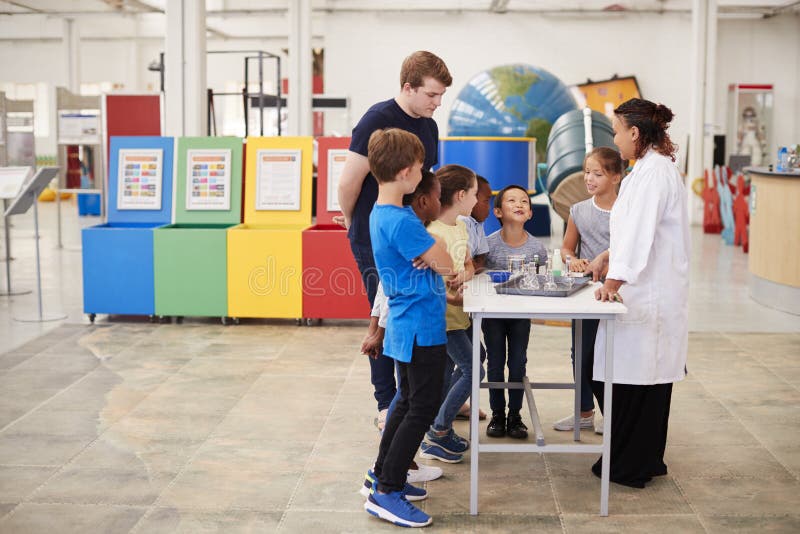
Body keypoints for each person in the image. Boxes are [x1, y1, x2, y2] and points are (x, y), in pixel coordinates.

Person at [336, 51, 452, 430]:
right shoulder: (378, 119)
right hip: (380, 235)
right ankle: (387, 403)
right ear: (408, 87)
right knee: (383, 315)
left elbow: (427, 187)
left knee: (413, 314)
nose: (437, 103)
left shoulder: (429, 126)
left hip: (412, 234)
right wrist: (359, 227)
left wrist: (428, 234)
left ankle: (419, 397)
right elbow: (349, 183)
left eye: (440, 97)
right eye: (432, 95)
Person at [587, 98, 690, 489]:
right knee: (627, 378)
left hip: (650, 294)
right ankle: (636, 456)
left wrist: (614, 280)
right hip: (641, 284)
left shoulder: (655, 174)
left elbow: (642, 232)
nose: (614, 139)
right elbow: (633, 230)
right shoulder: (644, 171)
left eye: (616, 131)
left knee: (639, 380)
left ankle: (635, 463)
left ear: (634, 132)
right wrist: (607, 256)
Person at [361, 128, 454, 528]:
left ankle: (381, 474)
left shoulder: (381, 214)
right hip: (420, 326)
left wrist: (431, 254)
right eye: (419, 167)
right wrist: (436, 254)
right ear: (403, 173)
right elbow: (447, 264)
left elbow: (436, 260)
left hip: (405, 325)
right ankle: (387, 491)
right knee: (421, 407)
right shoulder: (403, 221)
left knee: (405, 400)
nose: (423, 173)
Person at [552, 147, 624, 434]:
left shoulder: (626, 211)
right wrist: (572, 259)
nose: (589, 179)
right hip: (584, 291)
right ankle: (583, 412)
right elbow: (567, 247)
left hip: (617, 291)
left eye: (598, 173)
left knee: (613, 353)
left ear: (617, 176)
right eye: (586, 172)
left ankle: (613, 415)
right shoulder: (578, 210)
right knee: (580, 351)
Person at [419, 164, 483, 464]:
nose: (476, 200)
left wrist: (463, 277)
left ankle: (437, 427)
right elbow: (427, 282)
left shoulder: (460, 226)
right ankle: (439, 431)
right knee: (474, 369)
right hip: (445, 318)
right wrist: (452, 292)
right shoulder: (433, 232)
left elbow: (468, 265)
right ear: (460, 195)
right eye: (474, 194)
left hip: (461, 314)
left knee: (452, 371)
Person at [482, 185, 548, 440]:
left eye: (524, 201)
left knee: (518, 362)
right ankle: (497, 414)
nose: (519, 204)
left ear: (530, 213)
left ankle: (515, 415)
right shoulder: (489, 245)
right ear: (498, 211)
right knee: (496, 363)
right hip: (493, 316)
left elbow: (543, 281)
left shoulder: (536, 248)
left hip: (521, 315)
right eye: (511, 201)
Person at [455, 174, 492, 421]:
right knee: (473, 363)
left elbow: (480, 260)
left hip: (463, 308)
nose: (487, 206)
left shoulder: (476, 224)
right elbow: (468, 264)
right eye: (486, 200)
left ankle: (451, 404)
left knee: (476, 355)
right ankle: (441, 414)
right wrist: (471, 266)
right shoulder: (460, 223)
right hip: (451, 311)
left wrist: (472, 266)